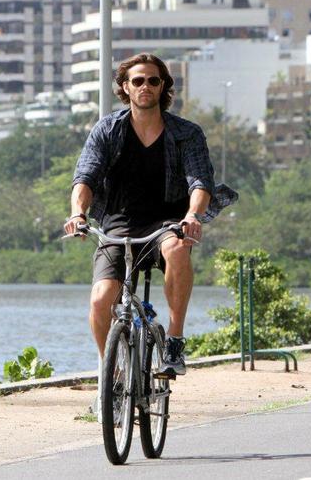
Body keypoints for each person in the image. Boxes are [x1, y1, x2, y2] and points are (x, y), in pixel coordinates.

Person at [64, 53, 235, 381]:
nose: (145, 86)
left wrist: (193, 216)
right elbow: (84, 177)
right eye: (137, 81)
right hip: (118, 223)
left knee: (177, 249)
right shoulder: (108, 130)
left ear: (163, 87)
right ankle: (110, 375)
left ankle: (174, 340)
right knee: (101, 300)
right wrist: (78, 213)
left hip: (168, 221)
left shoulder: (187, 133)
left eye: (153, 80)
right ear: (125, 88)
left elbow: (201, 182)